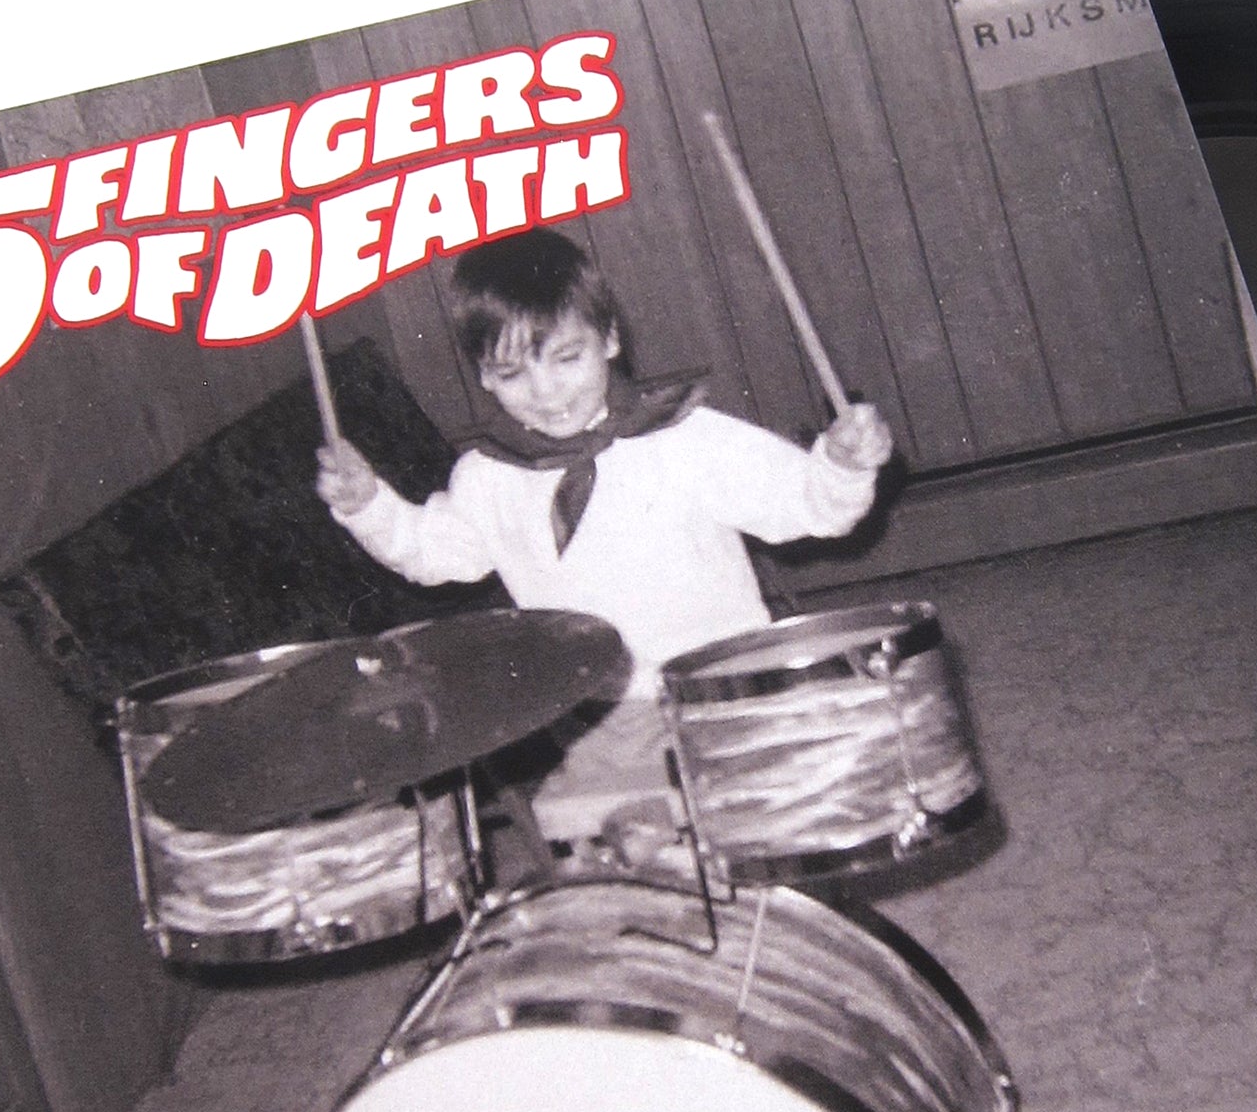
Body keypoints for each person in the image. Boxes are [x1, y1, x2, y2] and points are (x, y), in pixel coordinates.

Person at [316, 228, 893, 859]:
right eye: (512, 373)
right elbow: (433, 555)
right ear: (484, 376)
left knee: (778, 830)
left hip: (725, 687)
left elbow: (808, 506)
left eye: (567, 358)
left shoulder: (685, 436)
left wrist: (842, 464)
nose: (546, 392)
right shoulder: (489, 477)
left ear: (610, 339)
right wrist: (369, 506)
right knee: (636, 866)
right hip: (602, 714)